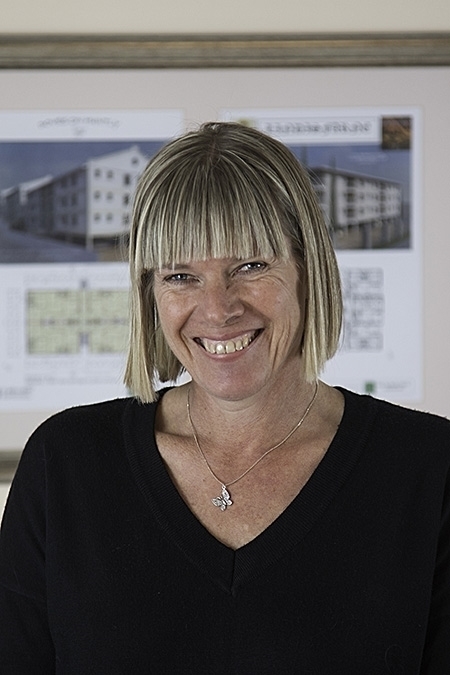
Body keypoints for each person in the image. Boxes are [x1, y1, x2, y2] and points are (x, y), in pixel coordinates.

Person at [0, 122, 449, 674]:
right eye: (181, 276)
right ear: (150, 293)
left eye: (251, 266)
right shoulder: (66, 463)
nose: (218, 309)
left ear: (307, 269)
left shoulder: (429, 468)